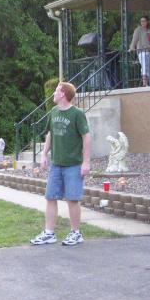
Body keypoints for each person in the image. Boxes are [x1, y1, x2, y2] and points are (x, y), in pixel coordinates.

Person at [31, 82, 91, 247]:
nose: (53, 94)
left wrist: (86, 162)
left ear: (63, 93)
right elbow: (50, 134)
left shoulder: (77, 114)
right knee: (50, 197)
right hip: (56, 165)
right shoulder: (53, 111)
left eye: (56, 91)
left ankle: (76, 233)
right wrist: (44, 154)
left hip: (73, 165)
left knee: (72, 199)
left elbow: (86, 137)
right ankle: (49, 233)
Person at [128, 15, 150, 87]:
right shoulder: (138, 30)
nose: (142, 22)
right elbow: (134, 40)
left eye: (144, 21)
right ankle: (144, 83)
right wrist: (132, 47)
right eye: (141, 21)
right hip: (142, 51)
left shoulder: (149, 30)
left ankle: (148, 83)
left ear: (147, 22)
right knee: (144, 67)